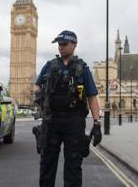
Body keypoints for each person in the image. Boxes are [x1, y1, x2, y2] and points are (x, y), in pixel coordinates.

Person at [35, 30, 102, 187]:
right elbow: (37, 85)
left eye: (64, 44)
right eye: (59, 44)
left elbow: (92, 97)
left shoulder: (83, 69)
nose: (60, 47)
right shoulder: (50, 65)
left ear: (74, 45)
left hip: (74, 121)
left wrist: (97, 123)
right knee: (47, 164)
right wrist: (40, 95)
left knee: (73, 165)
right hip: (51, 120)